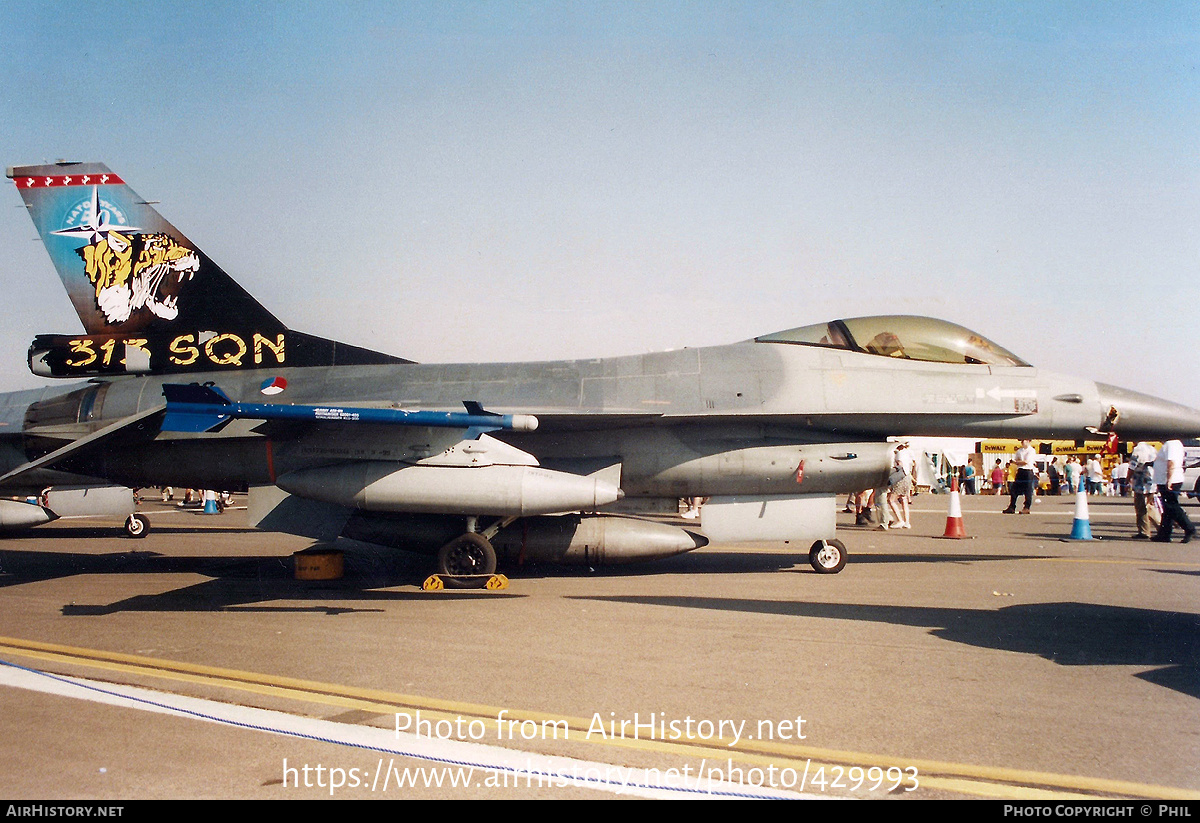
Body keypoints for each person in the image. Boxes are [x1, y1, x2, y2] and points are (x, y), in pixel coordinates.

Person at [1153, 439, 1194, 543]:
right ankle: (1164, 534)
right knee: (1167, 509)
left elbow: (1171, 462)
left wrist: (1169, 479)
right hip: (1167, 479)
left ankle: (1189, 528)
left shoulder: (1171, 444)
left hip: (1169, 480)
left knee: (1172, 506)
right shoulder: (1174, 443)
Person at [1129, 441, 1160, 539]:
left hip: (1140, 481)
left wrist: (1127, 479)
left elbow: (1132, 466)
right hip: (1152, 480)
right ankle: (1162, 527)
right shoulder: (1152, 448)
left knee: (1141, 506)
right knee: (1150, 505)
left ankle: (1145, 531)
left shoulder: (1137, 450)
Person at [883, 443, 913, 529]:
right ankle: (907, 522)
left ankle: (900, 520)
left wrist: (892, 470)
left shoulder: (899, 453)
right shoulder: (908, 452)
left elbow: (900, 465)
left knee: (891, 500)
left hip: (901, 477)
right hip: (907, 477)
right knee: (904, 500)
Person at [1003, 439, 1037, 514]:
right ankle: (1012, 506)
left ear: (1028, 441)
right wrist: (1017, 462)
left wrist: (1016, 462)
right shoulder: (1020, 450)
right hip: (1020, 470)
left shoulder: (1031, 450)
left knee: (1028, 490)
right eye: (1021, 441)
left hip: (1028, 471)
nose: (1022, 442)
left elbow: (1025, 462)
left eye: (1023, 440)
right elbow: (1016, 459)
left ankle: (1026, 507)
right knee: (1014, 489)